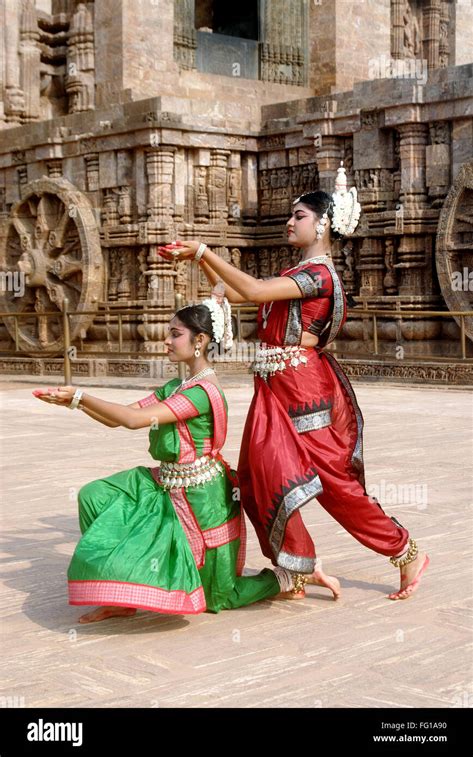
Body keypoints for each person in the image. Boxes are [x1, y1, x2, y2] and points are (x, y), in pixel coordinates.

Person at [158, 165, 430, 602]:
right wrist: (202, 264)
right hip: (273, 388)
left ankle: (405, 551)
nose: (290, 221)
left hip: (305, 391)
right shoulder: (296, 271)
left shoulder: (318, 274)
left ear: (323, 223)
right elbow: (243, 293)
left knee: (335, 485)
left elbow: (256, 293)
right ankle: (296, 566)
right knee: (256, 478)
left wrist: (205, 251)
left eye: (299, 215)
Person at [33, 298, 335, 623]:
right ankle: (120, 594)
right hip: (167, 483)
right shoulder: (177, 387)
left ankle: (291, 577)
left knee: (218, 597)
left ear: (199, 341)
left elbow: (135, 422)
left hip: (204, 501)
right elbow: (126, 415)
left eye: (175, 334)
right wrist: (75, 403)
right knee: (96, 496)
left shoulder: (201, 392)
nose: (166, 340)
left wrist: (81, 396)